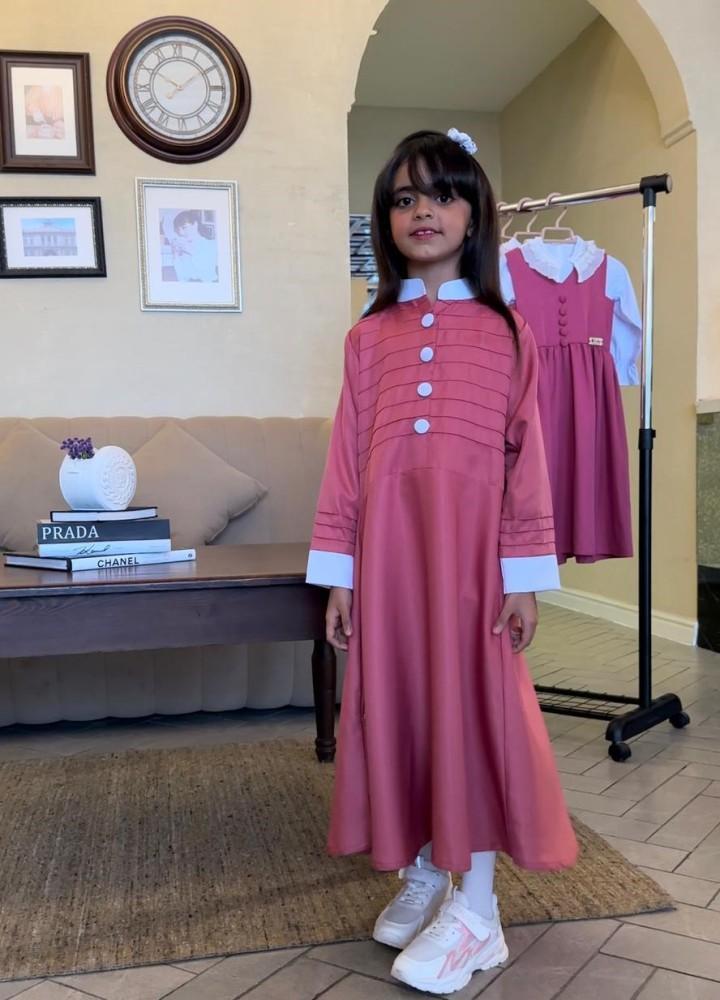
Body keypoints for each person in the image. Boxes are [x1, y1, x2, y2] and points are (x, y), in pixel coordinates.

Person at [306, 128, 578, 996]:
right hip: (388, 559)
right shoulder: (367, 337)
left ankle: (479, 911)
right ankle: (424, 865)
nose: (423, 211)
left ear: (475, 214)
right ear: (386, 219)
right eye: (404, 198)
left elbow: (527, 462)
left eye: (443, 194)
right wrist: (340, 573)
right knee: (405, 704)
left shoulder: (508, 331)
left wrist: (523, 578)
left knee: (474, 710)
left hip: (474, 566)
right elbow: (346, 459)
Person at [169, 210, 218, 282]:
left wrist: (191, 251)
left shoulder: (211, 244)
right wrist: (175, 255)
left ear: (195, 224)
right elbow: (181, 277)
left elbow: (207, 275)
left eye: (184, 227)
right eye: (178, 230)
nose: (181, 232)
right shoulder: (182, 247)